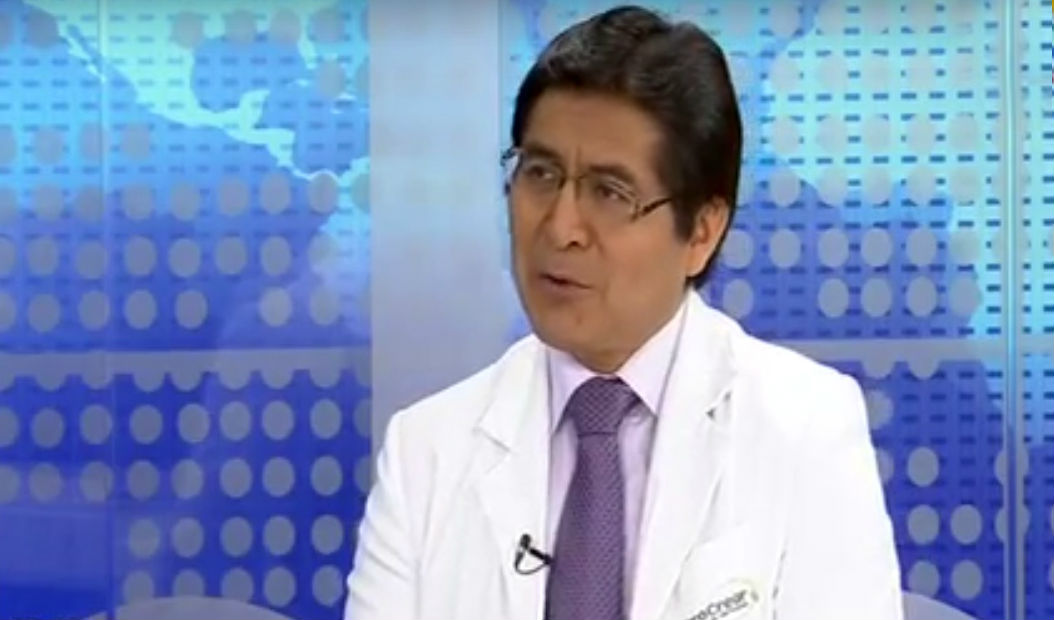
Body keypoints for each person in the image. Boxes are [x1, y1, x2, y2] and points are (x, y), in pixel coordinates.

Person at [345, 6, 901, 620]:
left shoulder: (805, 429)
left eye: (611, 193)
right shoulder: (426, 452)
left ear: (702, 231)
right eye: (540, 173)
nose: (561, 227)